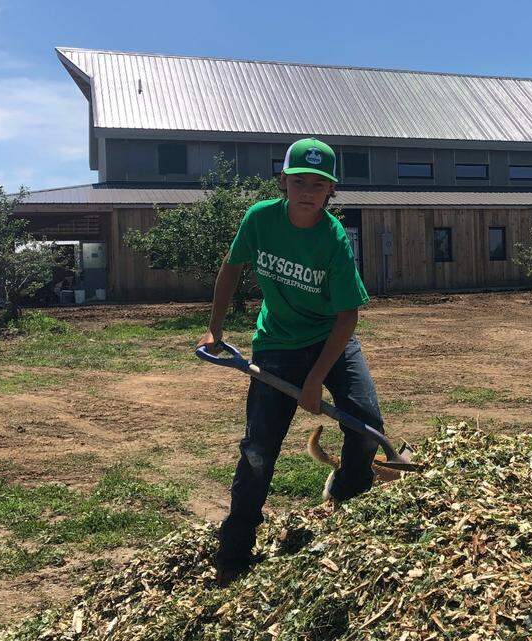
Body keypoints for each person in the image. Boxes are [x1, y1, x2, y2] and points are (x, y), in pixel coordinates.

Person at [197, 138, 382, 586]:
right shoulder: (260, 219)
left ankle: (346, 503)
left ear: (330, 192)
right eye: (299, 181)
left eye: (318, 185)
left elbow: (348, 316)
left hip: (329, 340)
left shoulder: (333, 239)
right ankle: (235, 549)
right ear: (283, 181)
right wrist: (216, 328)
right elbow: (231, 267)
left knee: (365, 425)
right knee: (259, 449)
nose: (307, 191)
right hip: (277, 344)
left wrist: (316, 379)